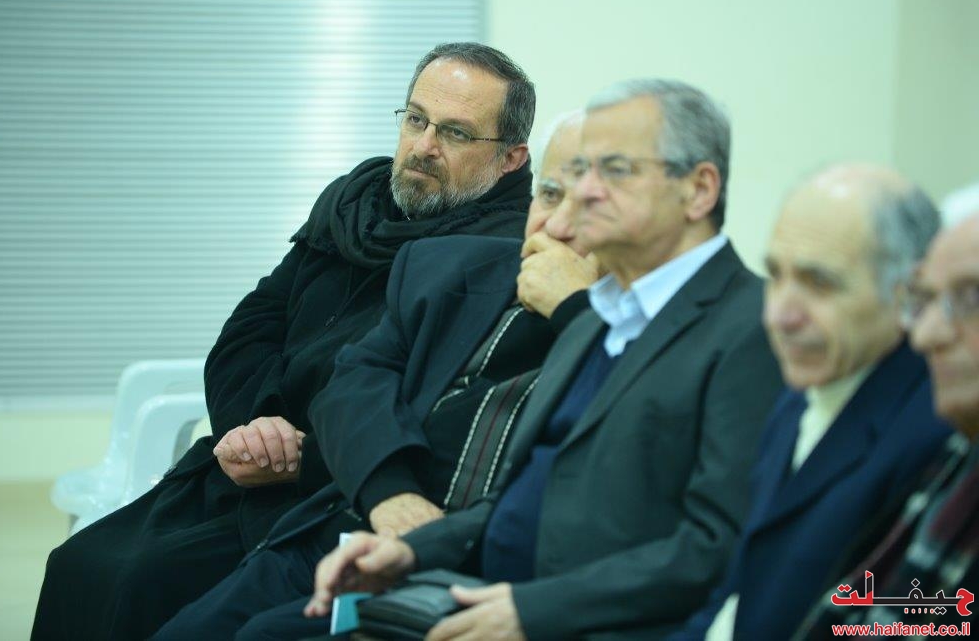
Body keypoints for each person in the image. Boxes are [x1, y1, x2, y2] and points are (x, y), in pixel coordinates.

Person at [32, 41, 537, 641]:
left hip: (338, 489)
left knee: (146, 582)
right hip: (250, 456)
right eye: (416, 119)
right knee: (81, 565)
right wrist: (255, 424)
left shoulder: (499, 259)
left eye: (454, 133)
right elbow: (252, 327)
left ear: (510, 158)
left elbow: (440, 412)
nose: (423, 146)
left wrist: (304, 456)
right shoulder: (355, 208)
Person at [306, 79, 785, 640]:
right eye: (580, 172)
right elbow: (524, 494)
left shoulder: (754, 325)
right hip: (485, 593)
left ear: (699, 190)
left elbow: (714, 546)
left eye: (616, 170)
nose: (587, 192)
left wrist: (531, 610)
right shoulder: (604, 314)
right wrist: (410, 551)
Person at [151, 111, 601, 640]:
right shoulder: (451, 267)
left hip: (474, 576)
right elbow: (353, 380)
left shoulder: (647, 336)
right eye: (549, 195)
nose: (557, 225)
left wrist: (581, 311)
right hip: (350, 525)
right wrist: (389, 494)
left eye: (591, 205)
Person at [676, 164, 951, 640]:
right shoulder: (799, 395)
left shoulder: (935, 432)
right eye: (776, 275)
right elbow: (741, 588)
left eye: (819, 284)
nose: (779, 315)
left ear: (909, 294)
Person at [794, 209, 979, 637]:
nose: (926, 335)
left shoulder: (925, 439)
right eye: (925, 299)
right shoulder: (954, 461)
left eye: (971, 298)